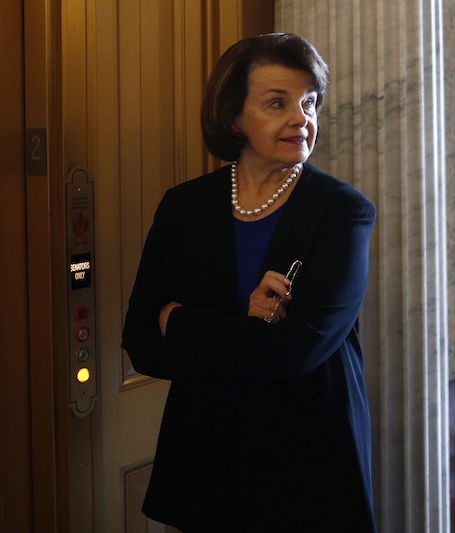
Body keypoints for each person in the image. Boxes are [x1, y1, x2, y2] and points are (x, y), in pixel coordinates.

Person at [121, 33, 376, 531]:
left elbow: (297, 352)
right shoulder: (184, 207)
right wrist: (249, 330)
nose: (301, 118)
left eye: (308, 102)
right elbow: (143, 344)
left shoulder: (342, 211)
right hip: (205, 459)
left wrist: (181, 321)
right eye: (277, 103)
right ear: (234, 115)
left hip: (308, 460)